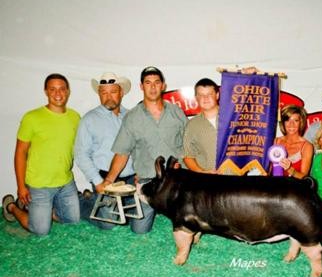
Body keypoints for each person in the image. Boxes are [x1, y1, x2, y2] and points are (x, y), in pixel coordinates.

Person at [96, 66, 188, 234]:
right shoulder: (132, 117)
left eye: (156, 82)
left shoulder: (177, 112)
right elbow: (122, 152)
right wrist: (108, 180)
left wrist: (184, 167)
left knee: (188, 223)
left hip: (177, 181)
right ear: (141, 87)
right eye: (148, 83)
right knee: (140, 230)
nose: (152, 87)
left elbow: (188, 145)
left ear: (163, 86)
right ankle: (132, 203)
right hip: (148, 183)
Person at [2, 74, 80, 235]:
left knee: (72, 221)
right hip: (39, 185)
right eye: (52, 89)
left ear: (68, 91)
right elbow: (20, 153)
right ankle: (12, 206)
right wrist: (21, 187)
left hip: (65, 182)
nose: (58, 93)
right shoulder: (32, 117)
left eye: (62, 89)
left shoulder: (75, 117)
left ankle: (43, 212)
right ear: (46, 91)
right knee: (41, 230)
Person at [74, 72, 135, 229]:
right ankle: (82, 201)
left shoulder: (131, 116)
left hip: (131, 179)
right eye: (103, 92)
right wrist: (98, 181)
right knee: (109, 224)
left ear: (121, 92)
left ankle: (94, 199)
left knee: (135, 219)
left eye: (113, 92)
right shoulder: (89, 119)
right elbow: (81, 154)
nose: (108, 97)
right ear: (99, 94)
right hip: (105, 178)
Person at [183, 78, 219, 173]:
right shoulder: (192, 125)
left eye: (209, 94)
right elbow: (188, 156)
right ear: (196, 98)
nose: (206, 98)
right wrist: (201, 173)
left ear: (217, 95)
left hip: (238, 181)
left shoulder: (234, 118)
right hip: (207, 184)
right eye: (201, 95)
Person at [274, 105, 313, 179]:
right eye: (288, 120)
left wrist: (289, 169)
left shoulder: (307, 146)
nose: (291, 124)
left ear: (301, 122)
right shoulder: (276, 141)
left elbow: (304, 177)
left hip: (295, 188)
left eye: (296, 120)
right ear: (283, 122)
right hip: (275, 188)